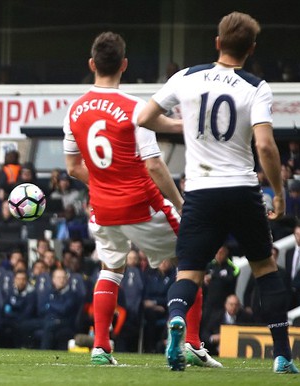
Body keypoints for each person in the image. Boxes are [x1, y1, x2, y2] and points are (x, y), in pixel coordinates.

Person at [138, 12, 299, 373]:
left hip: (200, 192)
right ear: (252, 49)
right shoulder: (256, 86)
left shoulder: (186, 77)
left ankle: (177, 321)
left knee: (189, 273)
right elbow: (267, 147)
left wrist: (185, 124)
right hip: (242, 191)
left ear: (217, 43)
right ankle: (283, 356)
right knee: (264, 268)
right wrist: (277, 192)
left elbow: (145, 118)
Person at [62, 31, 215, 367]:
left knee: (110, 269)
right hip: (141, 203)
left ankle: (101, 347)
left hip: (101, 208)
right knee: (192, 261)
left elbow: (73, 167)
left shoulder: (73, 110)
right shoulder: (135, 108)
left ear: (91, 64)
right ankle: (191, 342)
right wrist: (179, 203)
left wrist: (104, 181)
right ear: (124, 65)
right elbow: (155, 165)